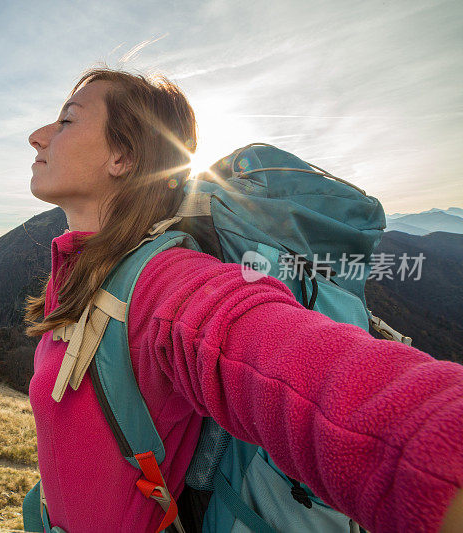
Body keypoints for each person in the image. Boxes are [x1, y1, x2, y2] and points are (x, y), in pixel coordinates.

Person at [24, 66, 463, 532]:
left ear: (124, 156)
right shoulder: (80, 273)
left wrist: (435, 448)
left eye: (67, 120)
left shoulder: (166, 283)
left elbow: (302, 373)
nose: (38, 136)